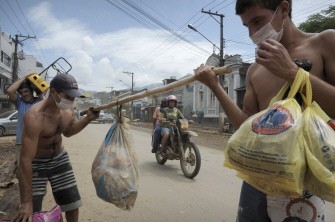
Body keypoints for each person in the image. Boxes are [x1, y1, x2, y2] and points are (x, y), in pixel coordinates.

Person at [195, 0, 335, 221]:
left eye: (258, 21)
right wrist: (215, 86)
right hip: (256, 179)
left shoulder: (324, 42)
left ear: (284, 9)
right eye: (246, 26)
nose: (252, 33)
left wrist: (293, 73)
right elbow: (245, 126)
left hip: (302, 182)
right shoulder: (255, 69)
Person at [14, 73, 100, 222]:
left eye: (73, 97)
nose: (71, 101)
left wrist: (87, 119)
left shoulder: (68, 111)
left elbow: (68, 132)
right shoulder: (34, 117)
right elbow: (26, 159)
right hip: (36, 162)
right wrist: (26, 201)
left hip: (59, 158)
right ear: (53, 91)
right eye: (68, 96)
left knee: (72, 203)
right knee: (31, 210)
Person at [6, 74, 44, 174]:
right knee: (22, 171)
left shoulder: (40, 102)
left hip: (39, 143)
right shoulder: (20, 102)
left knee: (38, 171)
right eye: (21, 92)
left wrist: (40, 92)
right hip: (21, 143)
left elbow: (49, 109)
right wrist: (25, 78)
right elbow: (10, 91)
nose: (24, 94)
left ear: (32, 91)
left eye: (26, 91)